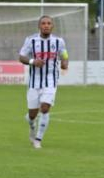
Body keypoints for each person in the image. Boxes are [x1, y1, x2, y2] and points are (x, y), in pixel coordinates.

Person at [18, 15, 69, 149]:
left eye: (49, 23)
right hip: (34, 82)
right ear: (39, 26)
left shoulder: (59, 41)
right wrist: (32, 61)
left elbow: (64, 54)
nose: (46, 25)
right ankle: (32, 125)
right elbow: (21, 56)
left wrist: (64, 62)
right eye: (43, 23)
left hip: (51, 81)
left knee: (45, 108)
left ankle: (38, 140)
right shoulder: (31, 40)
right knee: (32, 115)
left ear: (52, 26)